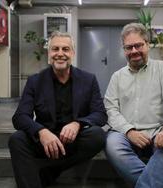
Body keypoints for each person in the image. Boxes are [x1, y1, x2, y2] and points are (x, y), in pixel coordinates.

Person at [8, 31, 107, 188]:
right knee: (17, 139)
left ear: (72, 53)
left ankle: (51, 170)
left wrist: (78, 124)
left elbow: (100, 114)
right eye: (55, 49)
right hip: (45, 141)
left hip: (74, 141)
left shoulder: (89, 79)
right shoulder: (35, 81)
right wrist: (41, 131)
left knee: (97, 136)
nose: (60, 54)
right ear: (49, 54)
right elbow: (20, 116)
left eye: (65, 49)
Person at [104, 23, 163, 188]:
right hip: (124, 134)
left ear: (147, 44)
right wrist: (129, 131)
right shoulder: (117, 77)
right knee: (111, 144)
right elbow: (111, 109)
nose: (134, 51)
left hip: (158, 132)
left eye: (139, 45)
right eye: (129, 47)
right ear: (124, 50)